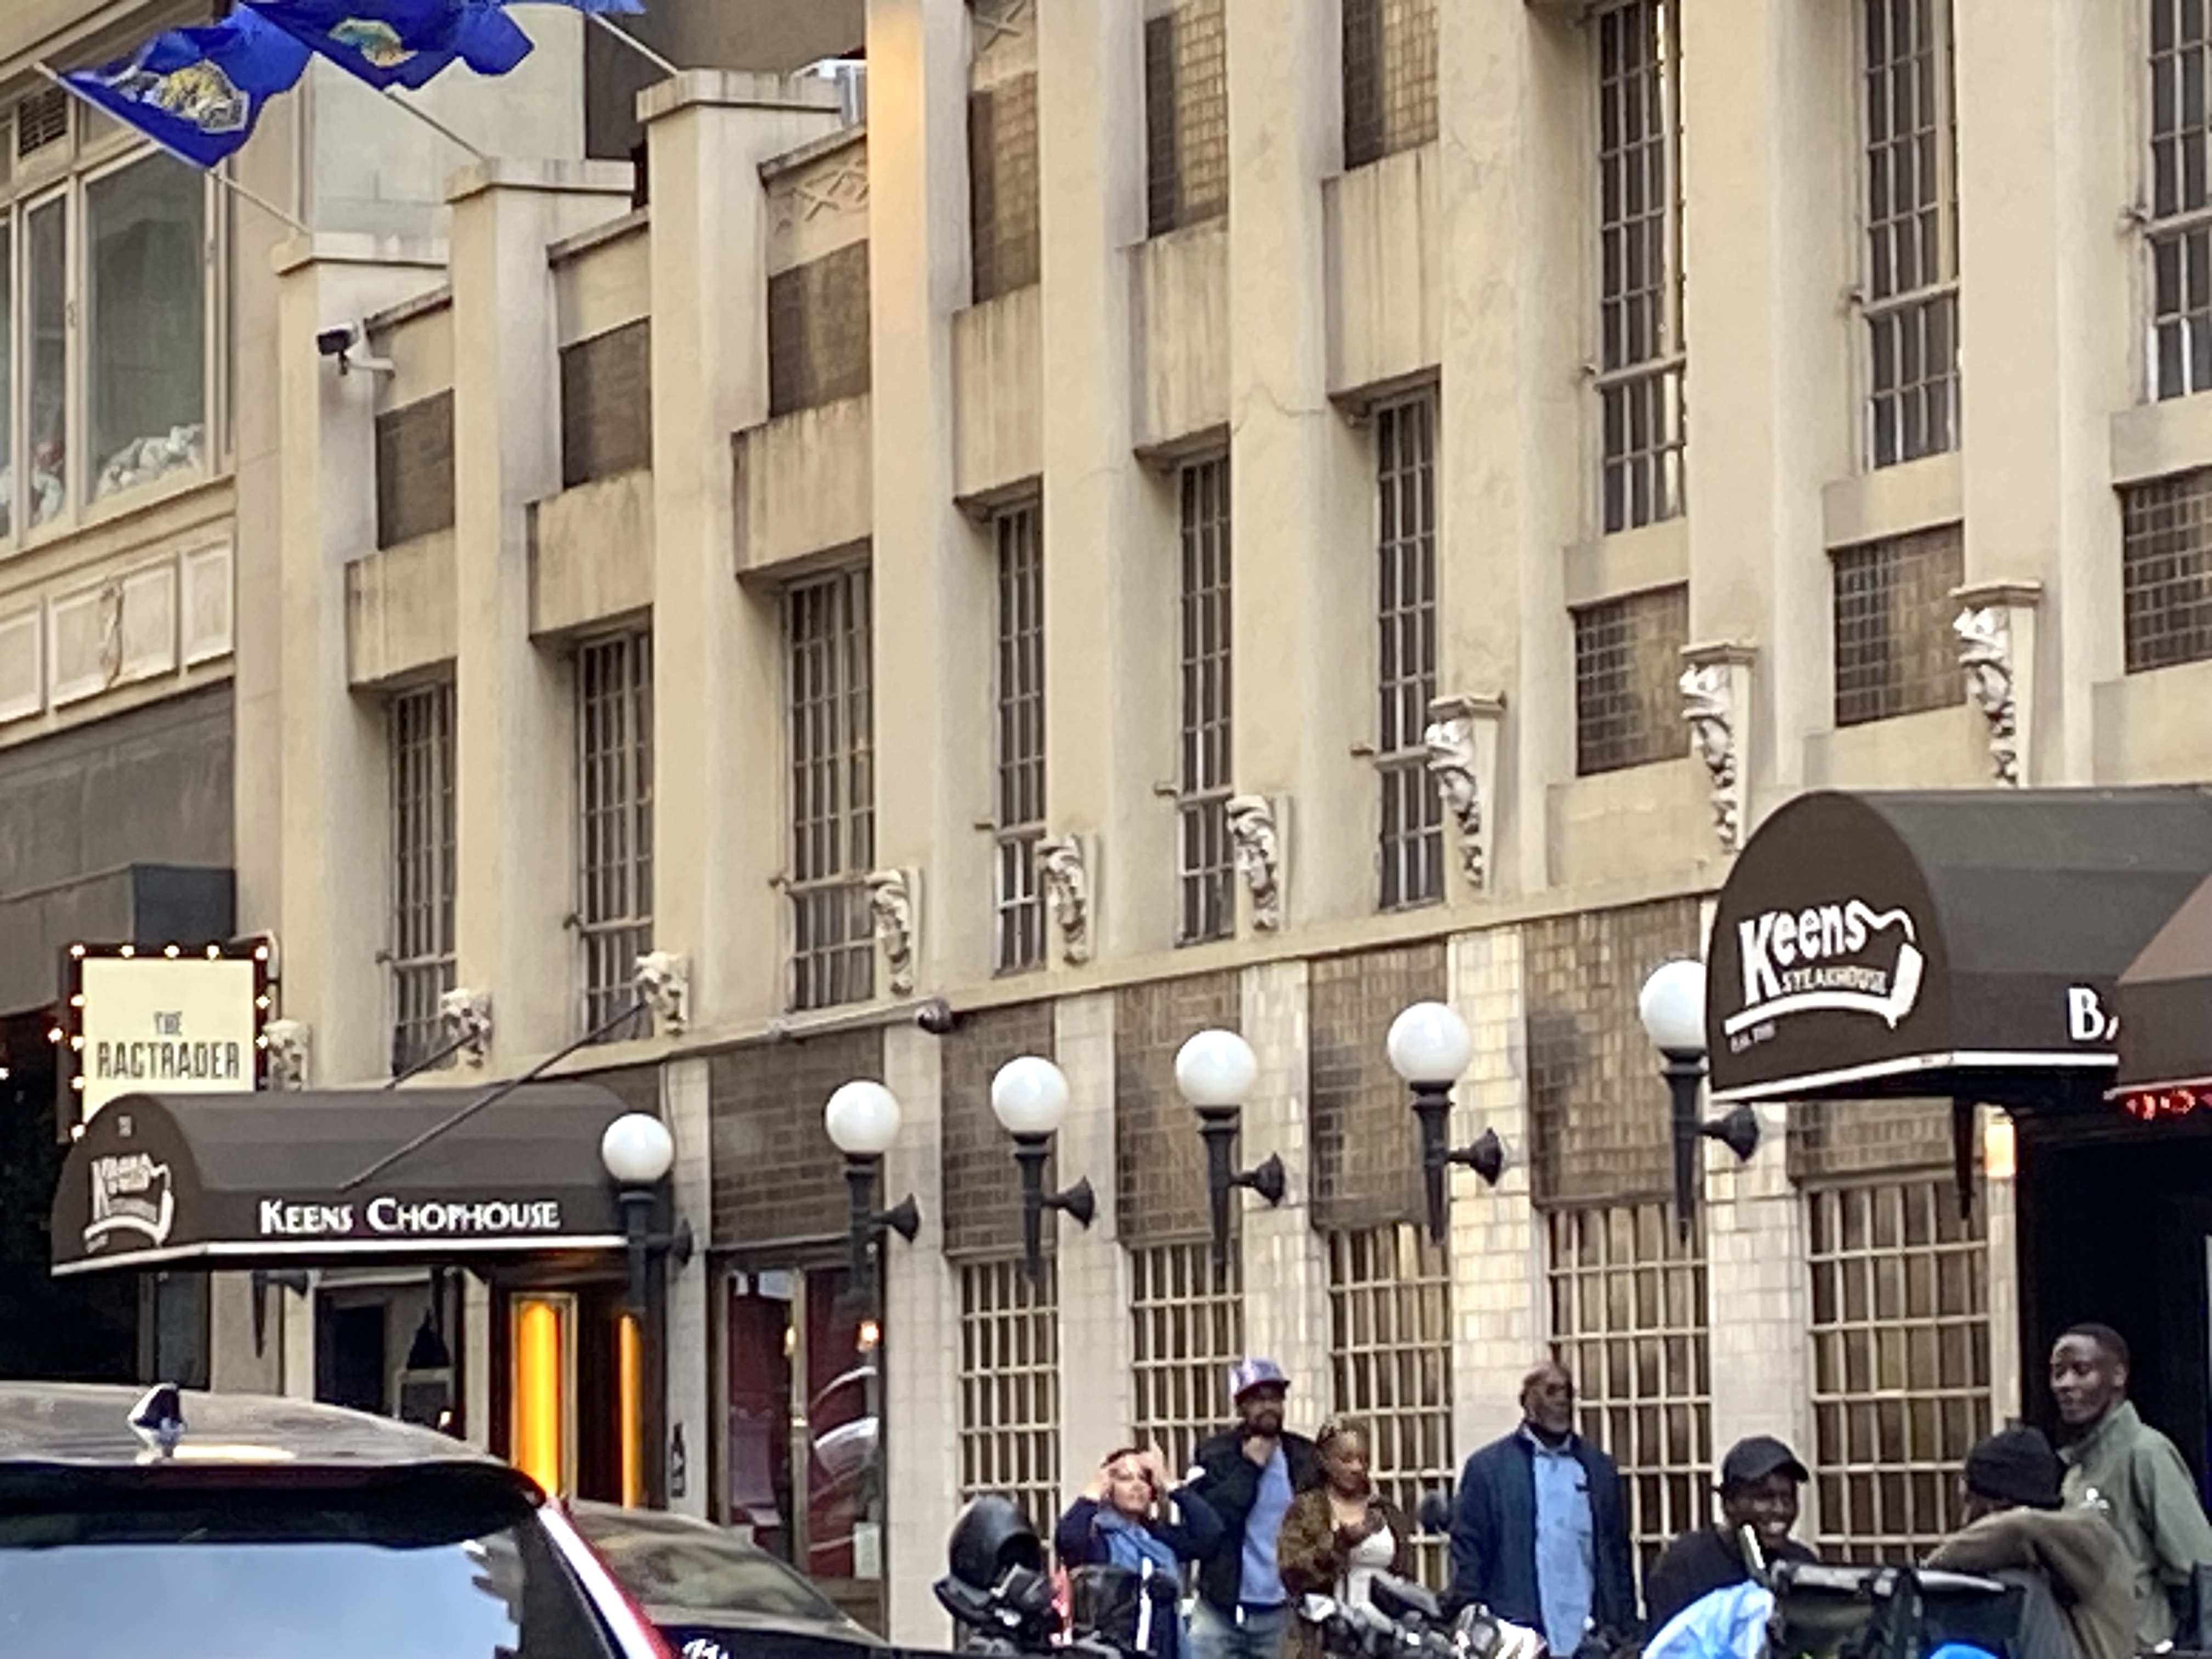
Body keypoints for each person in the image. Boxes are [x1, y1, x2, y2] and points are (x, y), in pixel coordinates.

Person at [1447, 1361, 1636, 1656]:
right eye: (1551, 1391)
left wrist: (1622, 1629)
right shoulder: (1489, 1471)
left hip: (1591, 1640)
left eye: (1568, 1392)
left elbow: (1618, 1558)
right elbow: (1469, 1556)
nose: (1562, 1400)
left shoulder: (1599, 1470)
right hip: (1518, 1638)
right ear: (1528, 1402)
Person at [2048, 1322, 2212, 1650]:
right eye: (2057, 1372)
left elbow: (2197, 1569)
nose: (2065, 1384)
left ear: (2118, 1376)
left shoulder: (2146, 1453)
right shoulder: (2076, 1470)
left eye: (2081, 1370)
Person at [1926, 1425, 2134, 1659]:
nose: (1965, 1518)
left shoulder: (2092, 1538)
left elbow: (2020, 1528)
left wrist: (1931, 1570)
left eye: (1969, 1501)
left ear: (1997, 1506)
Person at [1185, 1358, 1324, 1659]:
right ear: (1241, 1407)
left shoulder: (1304, 1456)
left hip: (1280, 1611)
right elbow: (1210, 1524)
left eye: (1275, 1398)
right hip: (1219, 1609)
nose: (1268, 1407)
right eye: (1258, 1400)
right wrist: (1249, 1468)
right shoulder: (1214, 1454)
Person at [1056, 1444, 1225, 1659]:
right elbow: (1068, 1539)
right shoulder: (1097, 1538)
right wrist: (1095, 1489)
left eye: (1144, 1479)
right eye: (1125, 1478)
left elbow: (1210, 1533)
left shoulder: (1159, 1538)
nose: (1136, 1486)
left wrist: (1170, 1484)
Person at [1643, 1436, 1815, 1634]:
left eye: (1788, 1498)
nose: (1780, 1509)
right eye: (1764, 1498)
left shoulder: (1802, 1564)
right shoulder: (1684, 1565)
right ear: (1729, 1503)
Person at [1278, 1416, 1413, 1658]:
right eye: (1346, 1460)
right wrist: (1340, 1543)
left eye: (1364, 1459)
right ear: (1324, 1460)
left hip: (1383, 1638)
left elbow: (1404, 1577)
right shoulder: (1306, 1509)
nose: (1357, 1468)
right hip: (1325, 1640)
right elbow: (1293, 1573)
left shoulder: (1385, 1510)